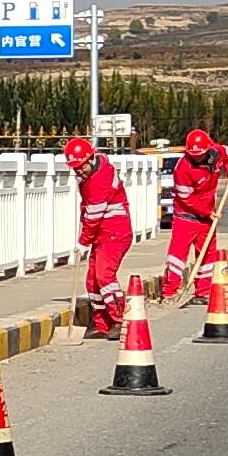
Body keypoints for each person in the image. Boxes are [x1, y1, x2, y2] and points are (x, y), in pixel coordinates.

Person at [67, 137, 133, 337]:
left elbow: (94, 215)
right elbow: (88, 209)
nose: (79, 171)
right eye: (75, 168)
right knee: (92, 282)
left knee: (104, 276)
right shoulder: (93, 171)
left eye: (81, 166)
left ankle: (121, 321)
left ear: (91, 158)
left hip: (115, 233)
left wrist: (83, 241)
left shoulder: (99, 179)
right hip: (102, 234)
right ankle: (103, 324)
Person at [158, 127, 228, 300]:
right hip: (186, 217)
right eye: (193, 154)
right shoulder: (182, 169)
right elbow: (186, 199)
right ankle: (169, 291)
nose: (197, 157)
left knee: (207, 254)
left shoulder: (216, 152)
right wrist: (207, 212)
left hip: (207, 218)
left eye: (200, 154)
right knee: (177, 256)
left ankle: (203, 290)